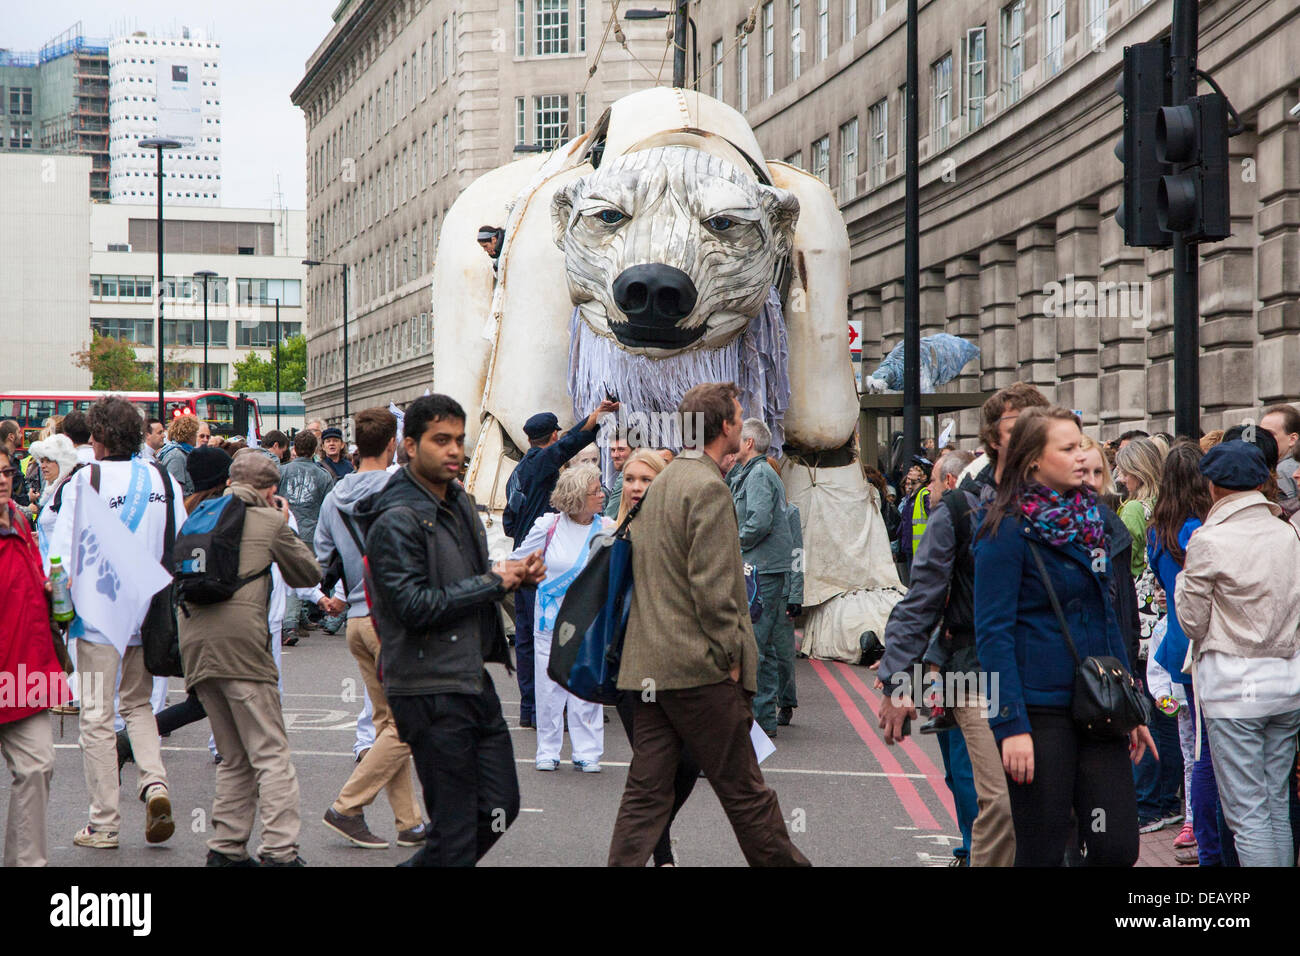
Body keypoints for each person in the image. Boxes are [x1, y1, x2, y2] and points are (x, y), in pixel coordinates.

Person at [608, 382, 810, 867]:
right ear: (723, 427)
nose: (742, 427)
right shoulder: (707, 488)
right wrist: (733, 660)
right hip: (699, 673)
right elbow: (716, 592)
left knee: (646, 795)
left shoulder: (664, 483)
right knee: (747, 795)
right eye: (738, 418)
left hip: (650, 669)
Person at [358, 393, 544, 866]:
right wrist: (491, 582)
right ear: (410, 445)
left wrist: (513, 574)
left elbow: (468, 577)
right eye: (441, 440)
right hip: (426, 686)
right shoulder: (396, 517)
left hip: (467, 678)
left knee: (501, 807)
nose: (454, 450)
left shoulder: (456, 498)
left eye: (459, 440)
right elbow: (412, 606)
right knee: (456, 833)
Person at [973, 405, 1155, 867]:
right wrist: (1009, 725)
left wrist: (1129, 701)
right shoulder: (1005, 529)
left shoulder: (1092, 520)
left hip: (1097, 707)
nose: (1081, 457)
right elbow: (992, 636)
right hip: (1038, 713)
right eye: (1068, 448)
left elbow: (1109, 616)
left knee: (1115, 846)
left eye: (1082, 445)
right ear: (1034, 458)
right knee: (1044, 850)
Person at [880, 383, 1049, 867]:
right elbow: (922, 601)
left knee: (1046, 809)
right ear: (994, 438)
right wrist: (899, 678)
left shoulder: (1065, 510)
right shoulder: (959, 510)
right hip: (975, 670)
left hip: (1043, 669)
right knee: (997, 802)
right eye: (1017, 427)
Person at [49, 397, 187, 851]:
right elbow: (178, 543)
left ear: (100, 437)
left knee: (95, 715)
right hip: (147, 613)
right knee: (139, 706)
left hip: (95, 617)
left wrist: (58, 615)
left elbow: (61, 557)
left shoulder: (84, 479)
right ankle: (155, 784)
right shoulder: (164, 479)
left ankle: (104, 823)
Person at [176, 449, 320, 866]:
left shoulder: (201, 513)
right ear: (271, 488)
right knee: (272, 755)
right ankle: (279, 850)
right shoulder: (270, 520)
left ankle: (226, 847)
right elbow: (307, 574)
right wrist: (282, 519)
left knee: (233, 755)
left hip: (197, 646)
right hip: (242, 650)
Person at [1174, 439, 1300, 867]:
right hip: (1286, 682)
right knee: (1275, 805)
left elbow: (1192, 622)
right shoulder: (1288, 533)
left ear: (1214, 487)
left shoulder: (1210, 540)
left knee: (1247, 815)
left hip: (1235, 689)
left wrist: (1180, 585)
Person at [315, 408, 426, 850]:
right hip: (393, 620)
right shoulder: (404, 489)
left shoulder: (333, 495)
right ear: (394, 442)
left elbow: (324, 559)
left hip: (357, 620)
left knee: (388, 725)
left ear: (357, 444)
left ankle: (409, 822)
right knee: (411, 722)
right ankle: (347, 805)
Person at [504, 400, 618, 729]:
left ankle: (531, 708)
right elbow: (571, 444)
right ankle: (555, 709)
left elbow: (510, 523)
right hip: (543, 564)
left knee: (526, 639)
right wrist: (596, 419)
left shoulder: (518, 471)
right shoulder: (542, 461)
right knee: (554, 637)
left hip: (523, 560)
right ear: (552, 436)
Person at [510, 465, 613, 772]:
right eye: (596, 491)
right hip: (548, 620)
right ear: (578, 496)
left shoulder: (607, 528)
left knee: (585, 686)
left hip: (588, 622)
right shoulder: (548, 526)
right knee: (549, 686)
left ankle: (588, 751)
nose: (602, 495)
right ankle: (548, 749)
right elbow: (519, 561)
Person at [0, 443, 69, 866]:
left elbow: (32, 577)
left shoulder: (22, 521)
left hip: (24, 674)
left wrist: (48, 587)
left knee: (38, 765)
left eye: (6, 471)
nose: (2, 479)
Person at [1147, 441, 1213, 862]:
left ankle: (1191, 816)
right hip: (1202, 646)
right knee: (1209, 749)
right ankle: (1204, 831)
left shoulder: (1158, 530)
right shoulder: (1198, 531)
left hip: (1174, 647)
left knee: (1191, 746)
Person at [728, 418, 794, 737]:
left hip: (761, 569)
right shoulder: (754, 472)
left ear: (749, 443)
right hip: (762, 567)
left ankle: (758, 720)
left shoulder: (758, 474)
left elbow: (757, 522)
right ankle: (764, 721)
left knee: (755, 647)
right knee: (761, 646)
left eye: (738, 438)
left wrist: (731, 545)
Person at [279, 429, 337, 642]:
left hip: (285, 530)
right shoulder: (324, 475)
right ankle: (294, 622)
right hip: (312, 532)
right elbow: (328, 508)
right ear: (315, 449)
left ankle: (293, 622)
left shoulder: (282, 471)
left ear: (295, 448)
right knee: (301, 576)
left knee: (289, 576)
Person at [1260, 405, 1299, 516]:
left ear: (1292, 439)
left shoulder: (1281, 471)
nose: (1262, 439)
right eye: (1260, 434)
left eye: (1269, 434)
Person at [159, 413, 200, 495]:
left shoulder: (182, 453)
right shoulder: (176, 456)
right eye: (195, 433)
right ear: (189, 434)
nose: (196, 436)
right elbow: (174, 489)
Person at [603, 436, 632, 518]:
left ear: (636, 450)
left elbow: (609, 517)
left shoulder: (627, 474)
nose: (615, 455)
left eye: (621, 449)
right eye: (613, 450)